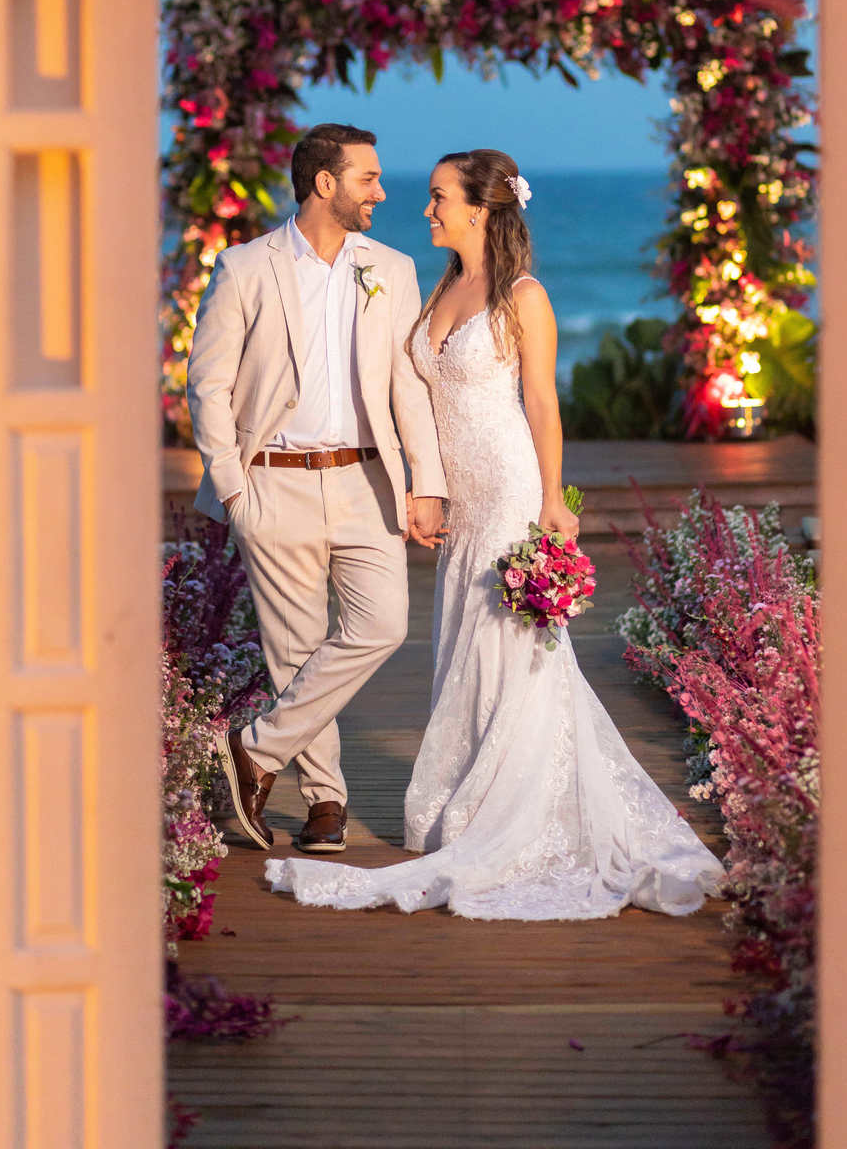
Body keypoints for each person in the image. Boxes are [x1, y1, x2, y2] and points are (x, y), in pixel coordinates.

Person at [266, 148, 724, 917]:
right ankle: (468, 798)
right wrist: (423, 485)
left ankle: (514, 808)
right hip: (462, 498)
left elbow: (541, 401)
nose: (427, 208)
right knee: (463, 644)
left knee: (512, 648)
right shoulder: (441, 286)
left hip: (509, 490)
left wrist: (552, 498)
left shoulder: (524, 295)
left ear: (480, 209)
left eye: (439, 197)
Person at [189, 122, 447, 854]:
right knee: (296, 650)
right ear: (324, 183)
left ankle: (256, 749)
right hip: (273, 483)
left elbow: (408, 386)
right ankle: (326, 802)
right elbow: (207, 385)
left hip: (368, 479)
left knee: (382, 625)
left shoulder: (391, 268)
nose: (382, 192)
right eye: (368, 177)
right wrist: (234, 491)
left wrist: (425, 482)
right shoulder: (245, 267)